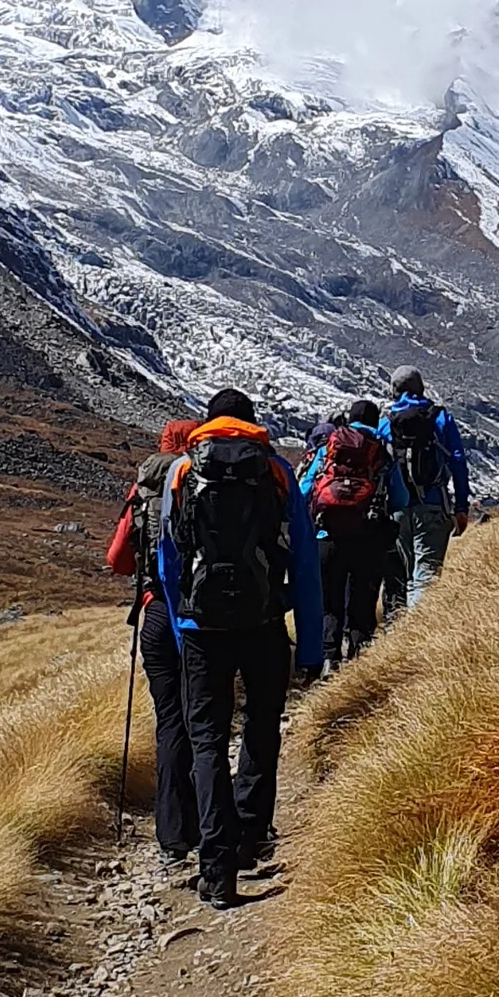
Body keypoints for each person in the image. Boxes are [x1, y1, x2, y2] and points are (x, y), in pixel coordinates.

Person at [164, 389, 324, 909]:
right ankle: (251, 835)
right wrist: (312, 647)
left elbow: (169, 558)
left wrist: (181, 626)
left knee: (207, 739)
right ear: (252, 423)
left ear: (207, 424)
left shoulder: (183, 472)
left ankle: (216, 866)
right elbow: (304, 560)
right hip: (264, 622)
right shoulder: (275, 470)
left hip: (201, 628)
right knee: (261, 725)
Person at [105, 420, 203, 871]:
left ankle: (172, 834)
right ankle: (208, 822)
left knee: (169, 722)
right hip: (201, 615)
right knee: (203, 719)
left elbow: (118, 560)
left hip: (157, 614)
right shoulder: (204, 479)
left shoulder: (143, 487)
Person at [302, 397, 407, 667]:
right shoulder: (381, 452)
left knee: (330, 602)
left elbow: (305, 489)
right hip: (368, 538)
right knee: (362, 602)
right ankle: (359, 661)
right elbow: (401, 499)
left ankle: (329, 659)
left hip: (328, 536)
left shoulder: (329, 448)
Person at [380, 367, 470, 609]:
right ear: (421, 387)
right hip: (433, 504)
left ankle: (408, 625)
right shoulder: (440, 418)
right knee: (426, 577)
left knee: (407, 576)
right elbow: (458, 461)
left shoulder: (386, 423)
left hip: (398, 510)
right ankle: (419, 629)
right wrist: (461, 507)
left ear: (394, 391)